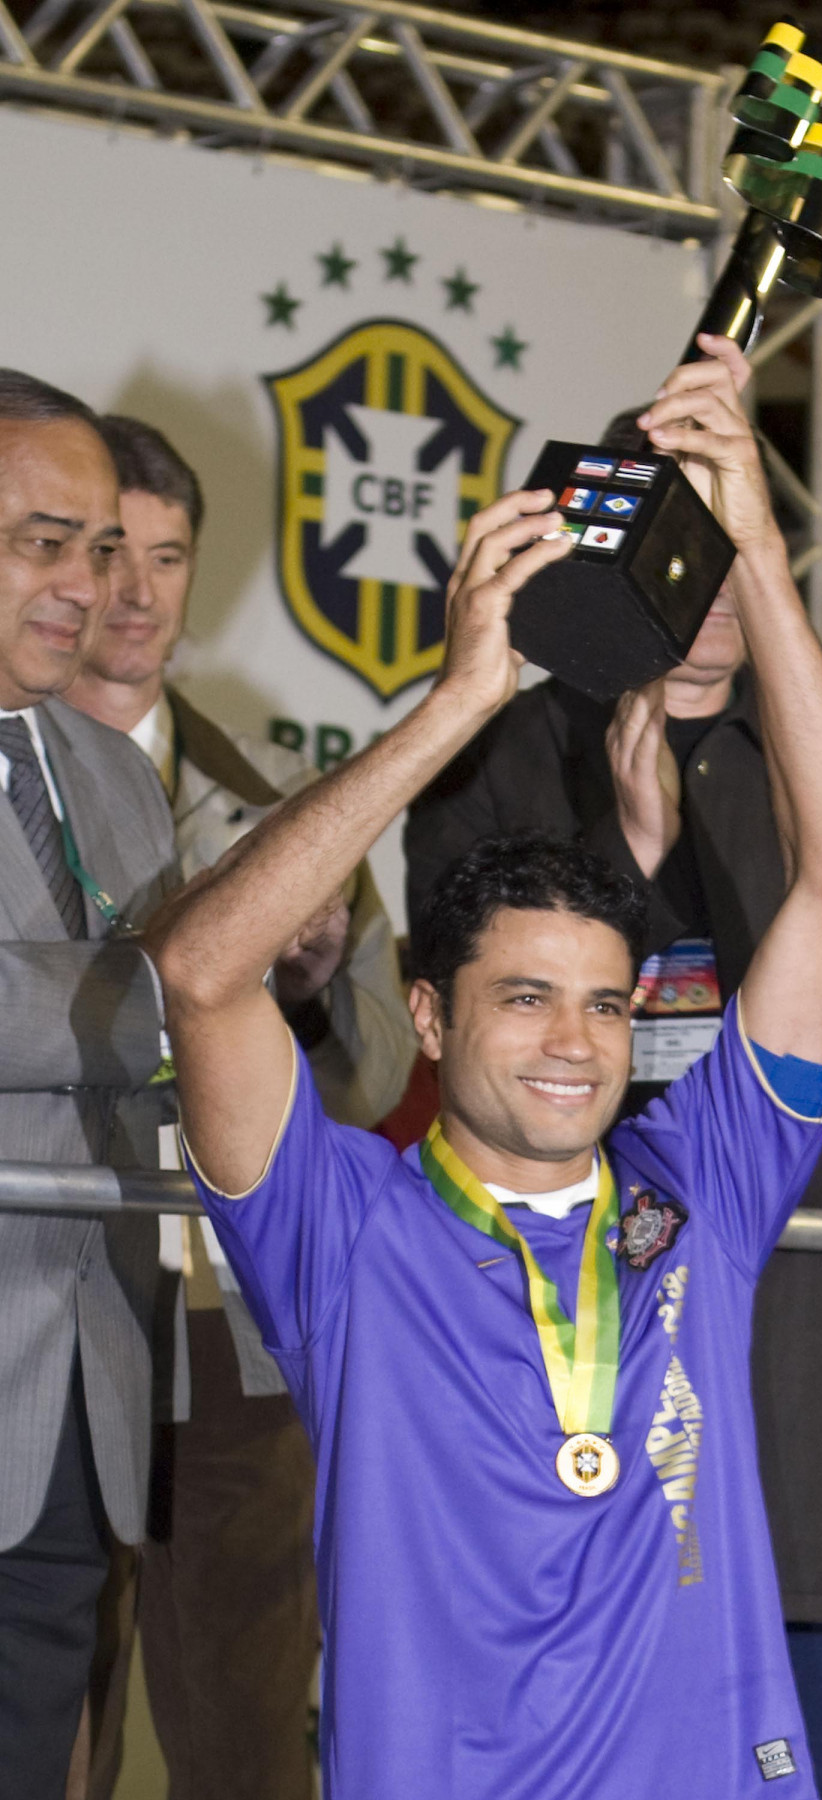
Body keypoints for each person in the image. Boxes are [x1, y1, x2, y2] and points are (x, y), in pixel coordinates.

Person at [144, 334, 822, 1799]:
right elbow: (198, 971)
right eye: (527, 999)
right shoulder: (340, 1225)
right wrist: (459, 700)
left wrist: (752, 552)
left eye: (607, 1009)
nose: (574, 1045)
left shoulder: (702, 1194)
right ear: (427, 1018)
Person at [403, 397, 822, 1800]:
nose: (719, 582)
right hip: (574, 1313)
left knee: (791, 1715)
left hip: (795, 1333)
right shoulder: (504, 743)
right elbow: (492, 1036)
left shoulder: (814, 750)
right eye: (689, 543)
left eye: (748, 543)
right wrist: (636, 855)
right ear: (616, 547)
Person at [63, 414, 415, 1800]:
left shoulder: (276, 809)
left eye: (168, 555)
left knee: (246, 1736)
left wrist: (317, 988)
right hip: (44, 1305)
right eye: (106, 552)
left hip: (230, 1332)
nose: (138, 593)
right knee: (41, 1721)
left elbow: (379, 1071)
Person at [0, 370, 178, 1799]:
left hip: (75, 1394)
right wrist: (185, 982)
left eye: (101, 546)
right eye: (43, 542)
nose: (88, 586)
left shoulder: (115, 779)